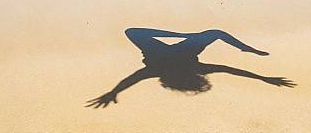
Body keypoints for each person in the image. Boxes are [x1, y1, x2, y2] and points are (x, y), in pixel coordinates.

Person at [86, 28, 295, 108]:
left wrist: (114, 92)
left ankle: (185, 35)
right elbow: (230, 70)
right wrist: (264, 78)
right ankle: (244, 49)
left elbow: (129, 81)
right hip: (181, 50)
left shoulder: (157, 70)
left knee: (132, 31)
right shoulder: (168, 71)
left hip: (167, 51)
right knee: (216, 32)